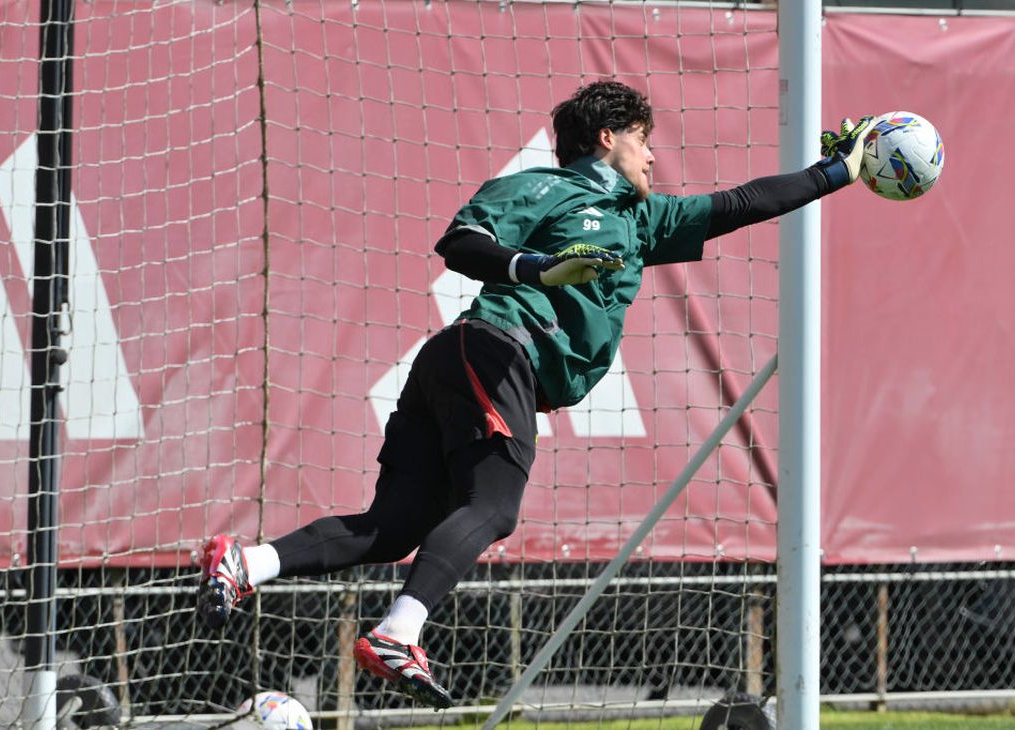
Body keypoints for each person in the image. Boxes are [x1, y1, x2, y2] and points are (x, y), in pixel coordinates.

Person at [197, 80, 871, 710]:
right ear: (608, 137)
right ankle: (400, 632)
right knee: (492, 508)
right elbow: (460, 243)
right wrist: (537, 268)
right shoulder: (544, 188)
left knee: (395, 526)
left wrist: (837, 171)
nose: (653, 154)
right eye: (644, 138)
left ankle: (246, 563)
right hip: (494, 349)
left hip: (472, 362)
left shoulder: (641, 220)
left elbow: (743, 204)